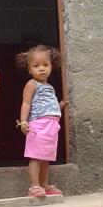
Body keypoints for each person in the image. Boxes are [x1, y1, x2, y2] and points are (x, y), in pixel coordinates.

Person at [16, 44, 67, 197]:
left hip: (51, 126)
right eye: (36, 66)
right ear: (29, 69)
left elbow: (46, 105)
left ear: (52, 65)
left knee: (46, 158)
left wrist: (59, 107)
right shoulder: (32, 84)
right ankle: (34, 185)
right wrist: (23, 121)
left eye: (46, 65)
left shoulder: (50, 86)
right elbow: (26, 103)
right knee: (36, 156)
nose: (42, 69)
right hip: (38, 125)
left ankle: (44, 184)